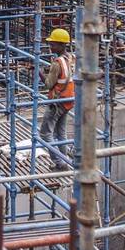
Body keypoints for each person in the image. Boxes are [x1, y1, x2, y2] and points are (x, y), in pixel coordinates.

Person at [38, 28, 75, 171]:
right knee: (61, 133)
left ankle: (60, 163)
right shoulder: (71, 58)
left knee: (45, 134)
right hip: (68, 100)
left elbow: (48, 84)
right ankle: (64, 160)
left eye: (53, 44)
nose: (50, 46)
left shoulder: (57, 63)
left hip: (57, 103)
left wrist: (39, 72)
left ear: (61, 45)